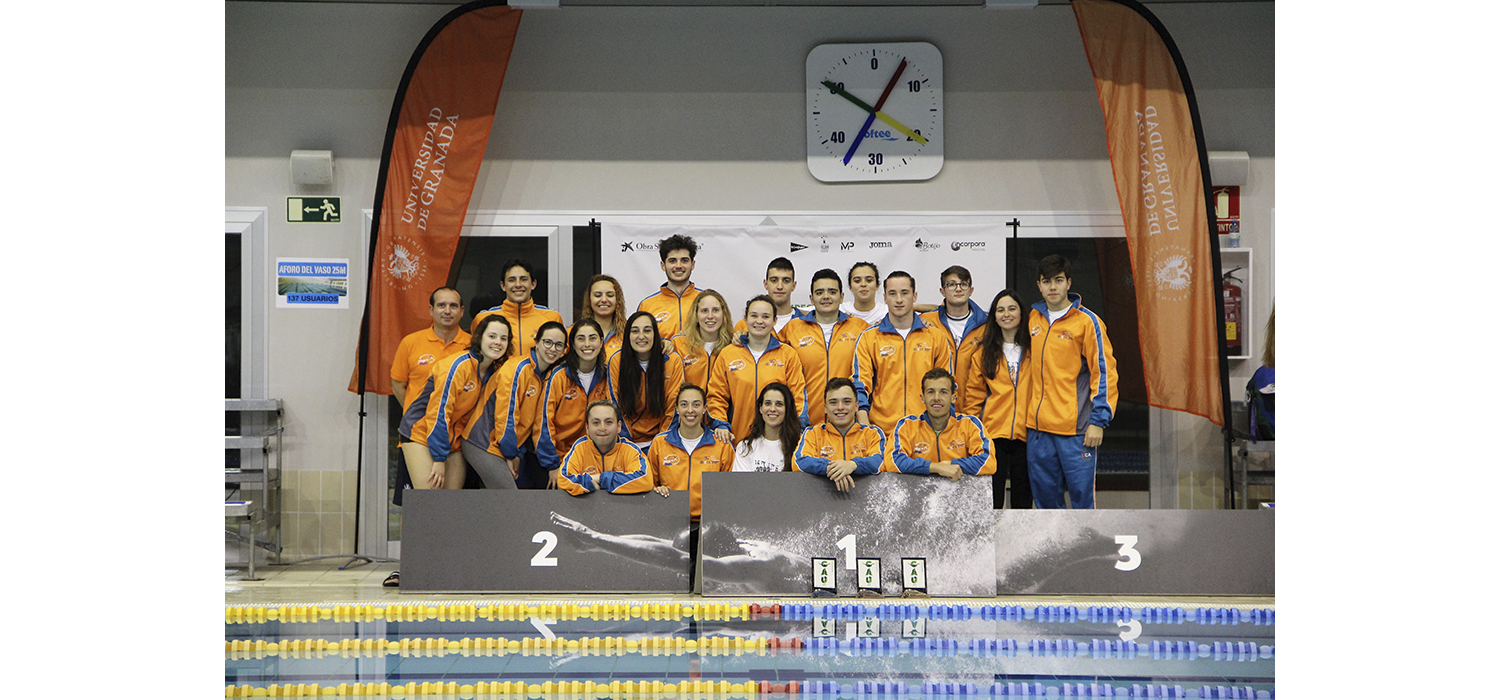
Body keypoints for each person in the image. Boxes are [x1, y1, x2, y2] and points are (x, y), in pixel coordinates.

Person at [1025, 254, 1118, 509]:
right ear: (1039, 286)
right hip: (1039, 431)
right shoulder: (1033, 319)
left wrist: (1098, 421)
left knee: (1082, 503)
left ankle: (1084, 540)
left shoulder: (1087, 322)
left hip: (1076, 430)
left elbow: (1104, 372)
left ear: (1068, 283)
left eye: (1058, 280)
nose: (1052, 287)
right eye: (1046, 281)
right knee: (1046, 505)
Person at [398, 314, 512, 490]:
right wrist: (439, 459)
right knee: (431, 496)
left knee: (452, 500)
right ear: (479, 337)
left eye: (503, 338)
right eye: (492, 336)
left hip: (452, 438)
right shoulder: (457, 366)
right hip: (420, 432)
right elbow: (439, 413)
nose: (498, 342)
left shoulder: (495, 372)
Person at [851, 271, 953, 434]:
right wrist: (865, 424)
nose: (899, 299)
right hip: (883, 431)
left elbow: (948, 385)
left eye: (904, 293)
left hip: (927, 430)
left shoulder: (936, 337)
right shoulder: (868, 338)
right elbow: (860, 384)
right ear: (885, 298)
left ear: (914, 296)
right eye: (892, 293)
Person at [962, 289, 1034, 509]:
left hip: (1028, 434)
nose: (1006, 314)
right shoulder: (983, 354)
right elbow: (973, 398)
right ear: (993, 316)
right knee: (991, 501)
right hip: (992, 435)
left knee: (1023, 500)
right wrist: (971, 434)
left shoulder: (1035, 349)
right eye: (1000, 310)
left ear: (1021, 313)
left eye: (1012, 309)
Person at [709, 295, 809, 441]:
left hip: (778, 441)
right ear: (745, 319)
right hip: (738, 438)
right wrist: (721, 424)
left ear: (774, 320)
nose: (759, 321)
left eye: (766, 316)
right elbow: (716, 395)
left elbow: (797, 397)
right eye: (754, 315)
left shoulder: (788, 355)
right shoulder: (728, 354)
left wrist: (797, 428)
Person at [781, 268, 869, 425]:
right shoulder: (791, 329)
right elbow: (764, 348)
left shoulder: (861, 328)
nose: (826, 296)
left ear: (841, 297)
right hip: (805, 424)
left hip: (849, 426)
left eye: (832, 292)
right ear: (811, 298)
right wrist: (741, 336)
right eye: (819, 292)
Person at [490, 321, 569, 489]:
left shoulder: (549, 374)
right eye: (547, 342)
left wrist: (517, 453)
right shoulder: (517, 369)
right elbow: (506, 417)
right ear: (537, 342)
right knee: (507, 494)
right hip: (485, 441)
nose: (553, 349)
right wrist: (511, 454)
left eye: (559, 345)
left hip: (513, 446)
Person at [647, 384, 736, 521]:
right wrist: (656, 490)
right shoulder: (660, 443)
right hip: (670, 519)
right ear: (677, 408)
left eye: (696, 405)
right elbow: (649, 484)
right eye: (684, 404)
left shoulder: (722, 444)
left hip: (710, 521)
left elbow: (732, 488)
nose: (690, 410)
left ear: (705, 408)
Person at [888, 368, 995, 480]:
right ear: (922, 398)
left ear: (953, 398)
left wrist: (953, 464)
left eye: (943, 392)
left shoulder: (970, 424)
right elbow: (893, 461)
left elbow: (988, 461)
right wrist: (936, 467)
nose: (936, 398)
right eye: (931, 392)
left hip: (959, 490)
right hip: (916, 491)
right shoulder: (907, 426)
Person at [539, 319, 613, 477]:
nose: (587, 344)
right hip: (560, 459)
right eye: (581, 338)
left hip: (598, 460)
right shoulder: (558, 376)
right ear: (572, 344)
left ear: (601, 342)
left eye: (592, 338)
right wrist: (553, 465)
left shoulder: (608, 376)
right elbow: (544, 421)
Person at [607, 311, 685, 448]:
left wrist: (662, 443)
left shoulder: (672, 361)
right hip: (626, 440)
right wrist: (628, 445)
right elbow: (615, 406)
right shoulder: (617, 361)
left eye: (647, 330)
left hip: (662, 440)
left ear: (655, 334)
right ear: (627, 335)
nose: (641, 336)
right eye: (635, 331)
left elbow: (673, 408)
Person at [794, 377, 887, 492]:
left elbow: (880, 461)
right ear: (825, 408)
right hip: (822, 499)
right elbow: (799, 461)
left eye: (846, 401)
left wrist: (853, 465)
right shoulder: (812, 434)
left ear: (856, 406)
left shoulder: (873, 433)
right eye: (833, 402)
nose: (840, 407)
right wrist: (833, 468)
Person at [918, 266, 987, 409]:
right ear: (942, 291)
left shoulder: (987, 324)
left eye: (963, 284)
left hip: (975, 408)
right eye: (951, 284)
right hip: (935, 409)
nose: (958, 289)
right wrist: (914, 311)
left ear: (971, 290)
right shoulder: (926, 321)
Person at [557, 401, 655, 495]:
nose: (602, 428)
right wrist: (590, 484)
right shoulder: (579, 448)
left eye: (608, 422)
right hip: (588, 506)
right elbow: (563, 480)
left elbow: (645, 480)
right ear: (587, 428)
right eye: (596, 423)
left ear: (619, 426)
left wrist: (600, 478)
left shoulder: (630, 450)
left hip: (623, 506)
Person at [471, 259, 564, 357]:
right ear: (503, 286)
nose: (518, 285)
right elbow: (476, 357)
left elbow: (560, 356)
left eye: (523, 279)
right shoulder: (483, 319)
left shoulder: (552, 318)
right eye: (512, 280)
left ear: (533, 284)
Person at [637, 234, 701, 340]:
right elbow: (639, 341)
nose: (678, 266)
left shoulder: (706, 300)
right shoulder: (647, 305)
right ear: (663, 265)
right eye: (672, 261)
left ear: (693, 264)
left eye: (684, 260)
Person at [732, 382, 802, 473]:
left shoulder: (800, 445)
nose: (772, 409)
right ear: (760, 408)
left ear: (787, 409)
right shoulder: (745, 447)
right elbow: (741, 482)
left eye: (779, 404)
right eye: (768, 403)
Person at [671, 289, 733, 390]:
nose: (710, 316)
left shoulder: (732, 345)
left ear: (724, 314)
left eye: (715, 310)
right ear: (696, 315)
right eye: (704, 311)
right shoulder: (678, 345)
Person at [733, 258, 798, 337]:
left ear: (793, 285)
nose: (780, 286)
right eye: (774, 280)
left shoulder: (805, 322)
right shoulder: (743, 325)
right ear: (766, 284)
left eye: (786, 281)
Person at [581, 274, 627, 359]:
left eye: (610, 295)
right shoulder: (574, 333)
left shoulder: (629, 334)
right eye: (598, 295)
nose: (604, 300)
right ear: (589, 299)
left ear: (618, 299)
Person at [839, 262, 887, 327]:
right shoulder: (841, 311)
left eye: (869, 280)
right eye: (857, 281)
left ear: (877, 285)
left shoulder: (887, 313)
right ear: (850, 287)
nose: (863, 284)